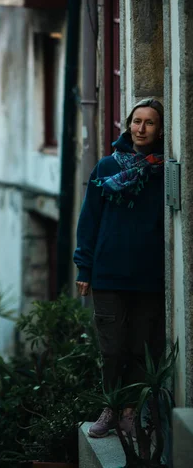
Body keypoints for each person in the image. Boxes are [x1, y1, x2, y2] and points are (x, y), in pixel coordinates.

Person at [74, 98, 165, 438]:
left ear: (159, 130)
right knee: (112, 348)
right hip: (108, 273)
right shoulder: (107, 168)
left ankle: (130, 411)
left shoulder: (163, 172)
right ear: (128, 125)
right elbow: (90, 220)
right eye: (136, 121)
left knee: (141, 348)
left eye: (149, 123)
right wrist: (84, 267)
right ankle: (110, 407)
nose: (141, 129)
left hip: (148, 276)